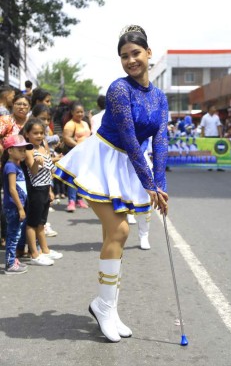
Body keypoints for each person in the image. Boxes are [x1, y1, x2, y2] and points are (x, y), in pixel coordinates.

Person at [53, 24, 168, 343]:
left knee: (112, 236)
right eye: (124, 56)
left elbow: (160, 140)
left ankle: (108, 307)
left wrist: (160, 182)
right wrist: (149, 184)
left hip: (127, 165)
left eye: (136, 54)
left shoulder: (159, 97)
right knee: (120, 230)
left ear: (149, 53)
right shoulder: (119, 89)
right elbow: (131, 140)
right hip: (102, 159)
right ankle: (104, 307)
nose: (131, 60)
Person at [22, 118, 63, 265]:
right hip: (35, 189)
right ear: (27, 134)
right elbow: (33, 172)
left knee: (41, 223)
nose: (39, 136)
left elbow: (49, 170)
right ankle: (34, 254)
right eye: (35, 133)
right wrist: (36, 163)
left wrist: (50, 190)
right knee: (32, 223)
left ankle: (45, 250)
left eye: (41, 133)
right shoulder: (28, 149)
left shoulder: (43, 148)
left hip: (45, 188)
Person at [1, 135, 33, 274]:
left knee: (15, 233)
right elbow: (13, 189)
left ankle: (12, 259)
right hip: (14, 207)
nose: (23, 152)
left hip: (17, 206)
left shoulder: (15, 165)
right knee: (13, 235)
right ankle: (10, 264)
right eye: (19, 149)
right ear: (10, 151)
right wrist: (20, 208)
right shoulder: (10, 167)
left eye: (24, 149)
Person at [62, 101, 91, 212]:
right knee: (73, 178)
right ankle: (71, 201)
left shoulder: (85, 123)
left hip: (85, 154)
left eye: (81, 112)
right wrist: (78, 146)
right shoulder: (69, 124)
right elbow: (66, 138)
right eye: (77, 112)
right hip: (74, 154)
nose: (80, 114)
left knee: (81, 178)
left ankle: (80, 199)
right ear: (72, 112)